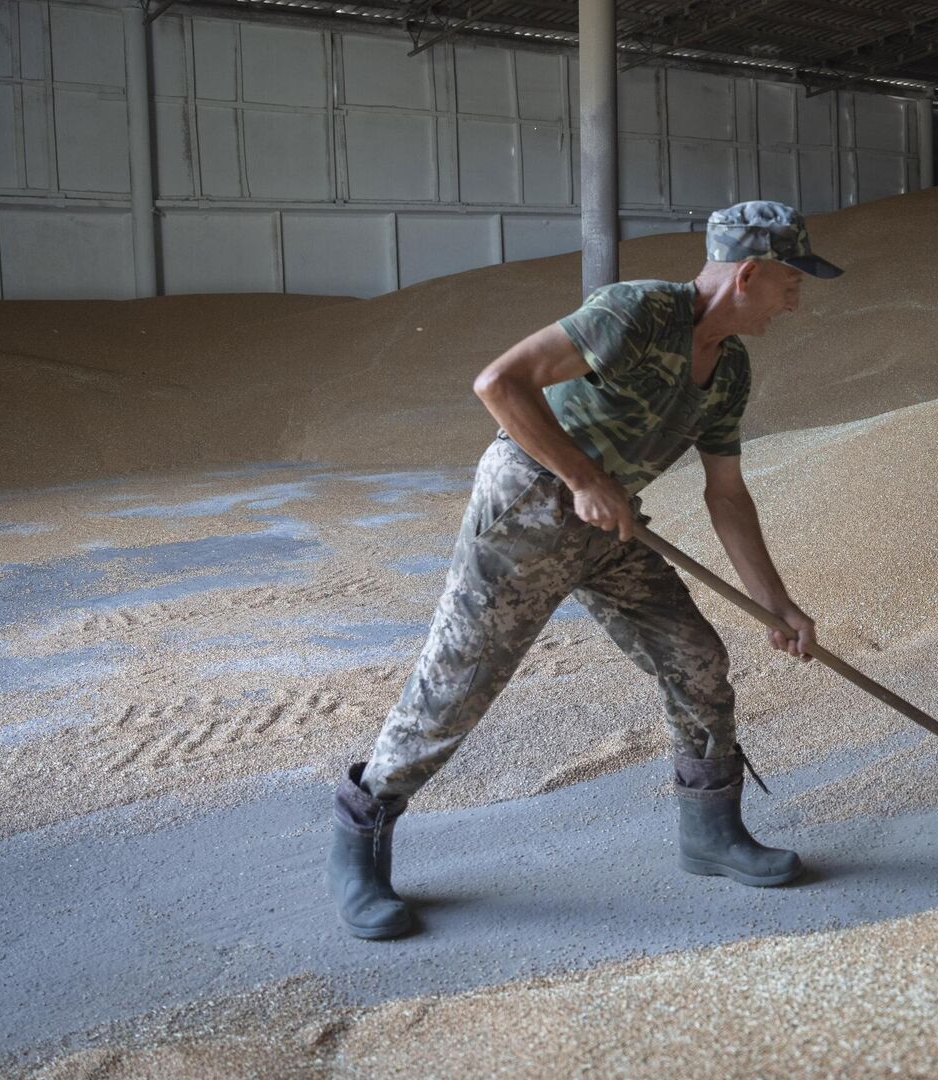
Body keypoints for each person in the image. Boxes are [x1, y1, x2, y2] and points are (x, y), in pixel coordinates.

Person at [326, 201, 842, 939]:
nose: (797, 300)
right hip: (527, 511)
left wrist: (777, 605)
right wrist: (581, 477)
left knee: (696, 660)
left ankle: (711, 833)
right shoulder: (636, 311)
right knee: (453, 690)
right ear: (750, 272)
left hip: (611, 528)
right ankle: (358, 841)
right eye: (792, 281)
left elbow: (726, 494)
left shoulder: (728, 370)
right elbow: (500, 383)